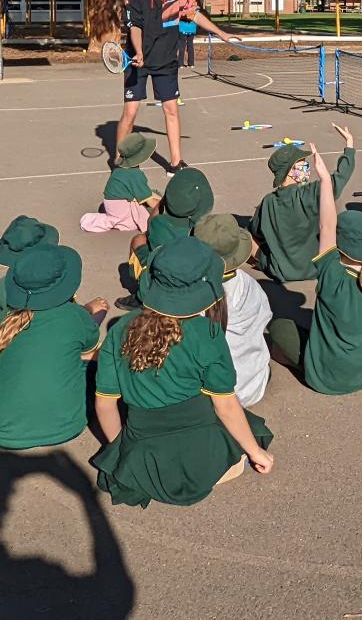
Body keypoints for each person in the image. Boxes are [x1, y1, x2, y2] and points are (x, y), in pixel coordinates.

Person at [91, 239, 274, 507]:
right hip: (202, 446)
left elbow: (105, 404)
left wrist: (120, 449)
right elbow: (225, 406)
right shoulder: (207, 333)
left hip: (144, 449)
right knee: (248, 427)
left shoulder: (120, 330)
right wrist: (256, 453)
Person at [0, 240, 111, 451]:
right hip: (70, 425)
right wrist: (94, 312)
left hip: (2, 433)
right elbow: (88, 347)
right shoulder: (75, 315)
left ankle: (6, 408)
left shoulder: (5, 317)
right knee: (93, 355)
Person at [268, 147, 362, 395]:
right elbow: (328, 227)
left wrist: (325, 179)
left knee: (280, 328)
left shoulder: (332, 273)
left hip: (325, 376)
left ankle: (294, 363)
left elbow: (326, 225)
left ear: (341, 245)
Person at [115, 0, 238, 172]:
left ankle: (175, 163)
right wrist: (139, 52)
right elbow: (135, 26)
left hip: (166, 61)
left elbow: (195, 14)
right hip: (137, 61)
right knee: (130, 113)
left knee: (171, 110)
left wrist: (221, 34)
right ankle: (119, 160)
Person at [252, 124, 354, 284]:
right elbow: (340, 177)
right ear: (290, 171)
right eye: (303, 165)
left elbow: (255, 232)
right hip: (315, 267)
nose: (308, 168)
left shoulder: (268, 202)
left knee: (245, 237)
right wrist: (349, 146)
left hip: (281, 271)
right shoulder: (312, 193)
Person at [193, 213, 273, 409]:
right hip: (253, 386)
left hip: (211, 398)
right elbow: (265, 318)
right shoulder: (251, 286)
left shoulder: (189, 296)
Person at [125, 164, 213, 287]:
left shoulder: (158, 225)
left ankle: (141, 287)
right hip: (194, 284)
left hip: (160, 284)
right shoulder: (205, 230)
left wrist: (164, 200)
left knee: (138, 240)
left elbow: (149, 224)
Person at [79, 134, 163, 235]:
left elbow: (145, 191)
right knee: (145, 220)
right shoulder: (135, 174)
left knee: (151, 195)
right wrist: (167, 207)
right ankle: (103, 220)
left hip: (112, 203)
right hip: (118, 208)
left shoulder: (123, 169)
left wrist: (160, 199)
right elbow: (151, 202)